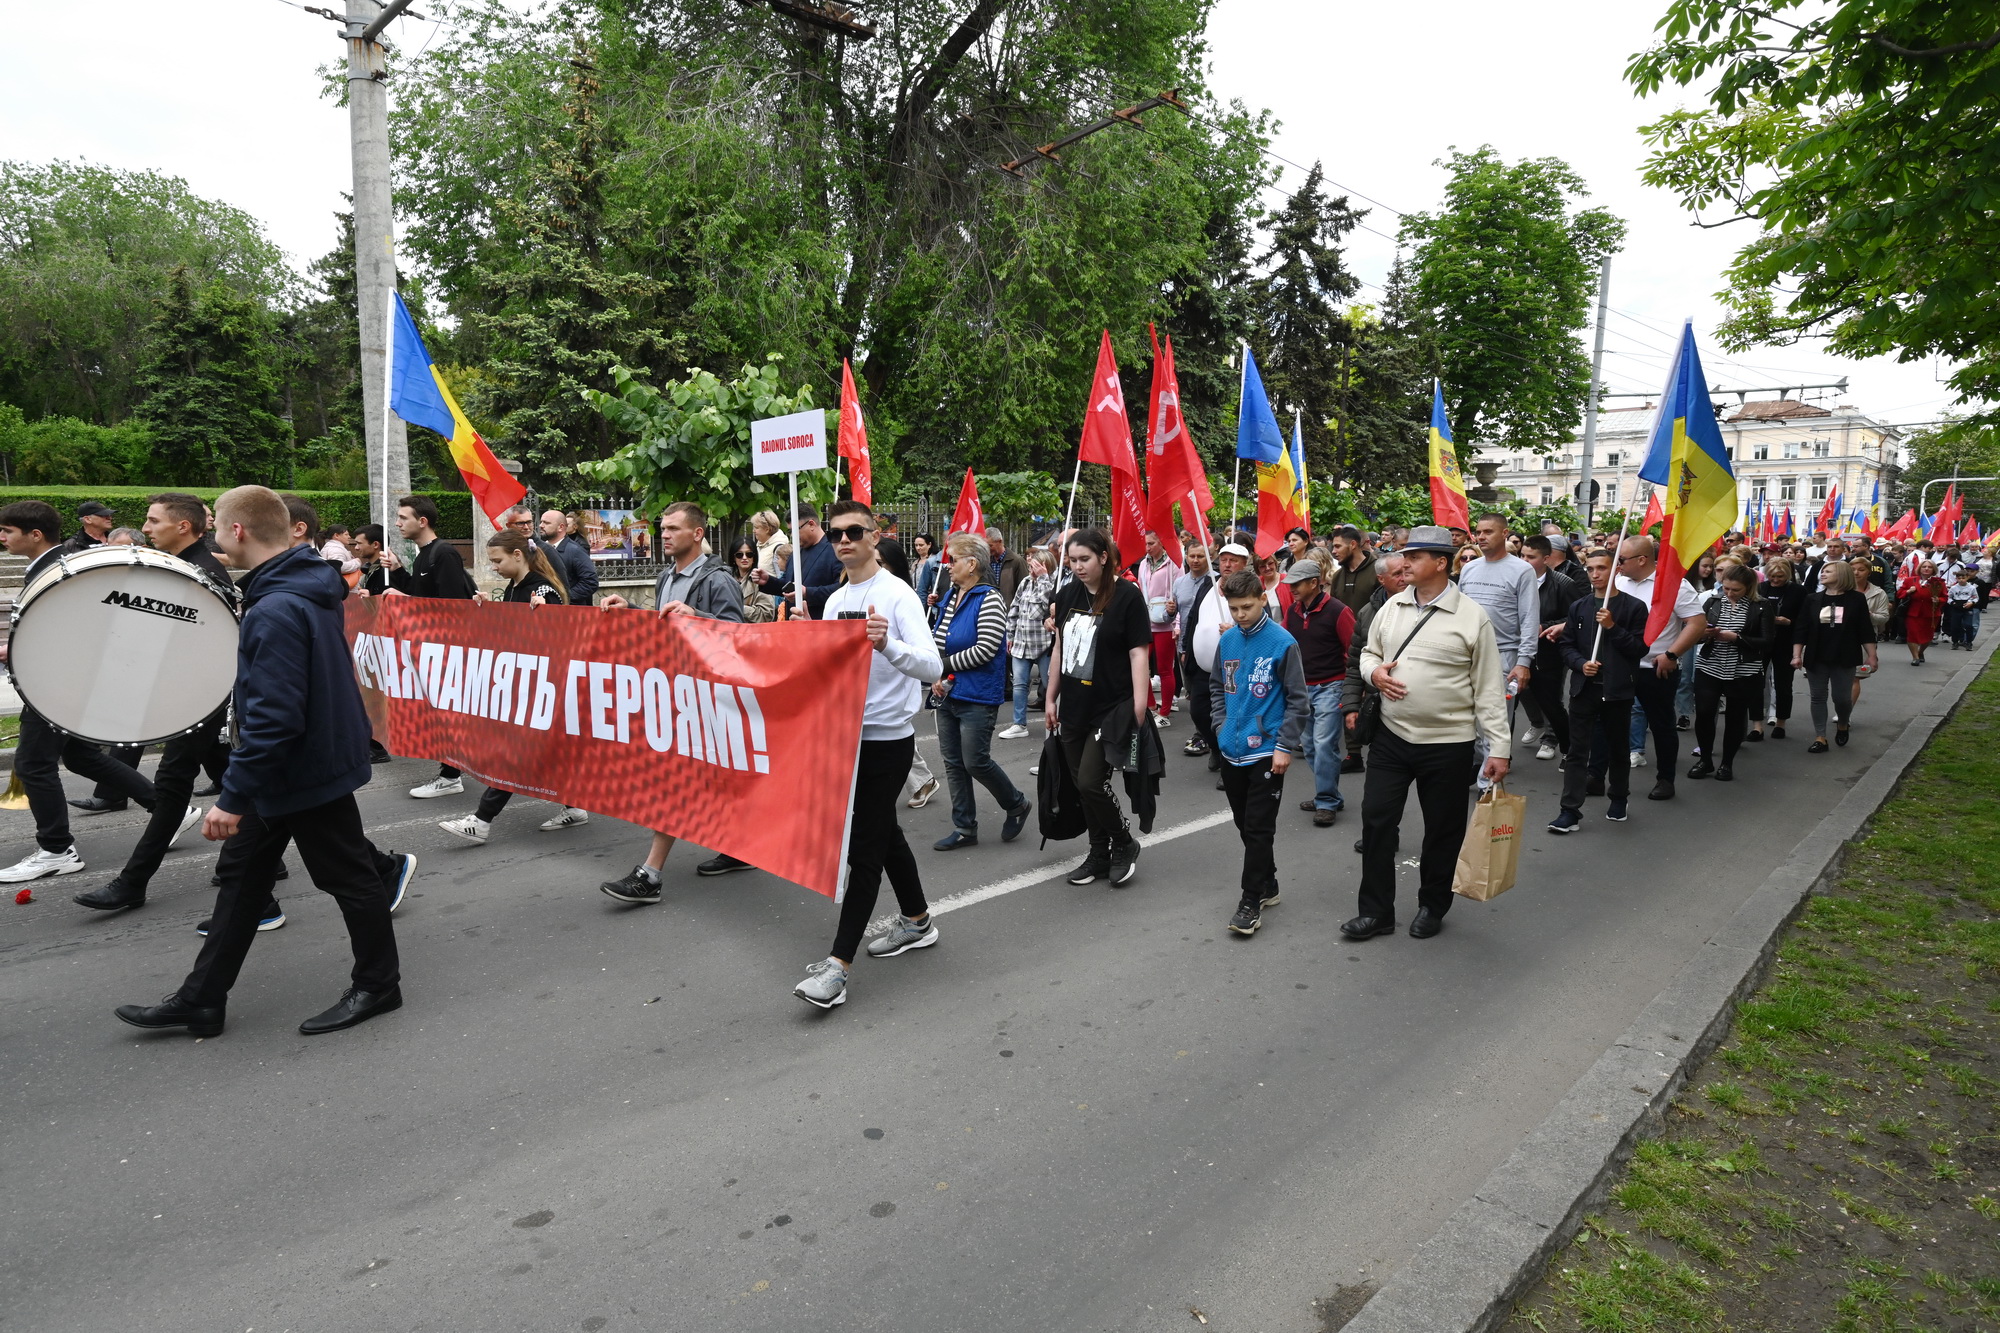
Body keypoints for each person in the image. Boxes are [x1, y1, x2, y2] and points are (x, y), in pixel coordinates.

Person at [114, 485, 404, 1039]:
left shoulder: (276, 605)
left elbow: (275, 718)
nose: (216, 536)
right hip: (297, 767)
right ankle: (201, 1000)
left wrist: (234, 796)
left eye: (217, 526)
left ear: (238, 531)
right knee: (243, 883)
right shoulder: (297, 586)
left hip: (302, 771)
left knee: (350, 880)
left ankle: (378, 985)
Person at [791, 500, 944, 1010]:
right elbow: (831, 670)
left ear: (875, 536)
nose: (844, 540)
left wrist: (889, 647)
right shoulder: (836, 600)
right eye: (836, 533)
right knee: (885, 833)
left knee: (865, 850)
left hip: (888, 740)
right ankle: (918, 921)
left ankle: (837, 968)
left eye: (855, 531)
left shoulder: (898, 595)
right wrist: (806, 639)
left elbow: (931, 665)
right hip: (845, 736)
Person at [69, 495, 238, 911]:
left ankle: (132, 883)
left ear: (183, 526)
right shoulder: (183, 567)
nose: (146, 528)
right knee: (236, 778)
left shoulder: (202, 572)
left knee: (173, 784)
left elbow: (211, 641)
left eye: (153, 520)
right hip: (192, 698)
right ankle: (259, 861)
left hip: (199, 700)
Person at [1348, 525, 1510, 942]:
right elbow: (1369, 653)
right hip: (1391, 737)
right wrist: (1374, 673)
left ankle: (1432, 906)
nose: (1404, 563)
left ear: (1441, 563)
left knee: (1442, 829)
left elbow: (1489, 687)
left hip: (1449, 744)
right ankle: (1376, 912)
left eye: (1415, 556)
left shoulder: (1472, 617)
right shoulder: (1391, 606)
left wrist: (1500, 749)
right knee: (1376, 822)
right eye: (1405, 555)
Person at [0, 502, 167, 884]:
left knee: (33, 765)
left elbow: (89, 628)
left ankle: (57, 849)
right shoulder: (54, 563)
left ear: (35, 534)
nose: (2, 537)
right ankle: (166, 806)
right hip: (62, 679)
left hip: (58, 683)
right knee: (79, 756)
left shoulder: (60, 568)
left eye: (7, 531)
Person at [596, 501, 749, 897]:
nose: (663, 534)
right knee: (712, 778)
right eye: (663, 528)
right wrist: (629, 609)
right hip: (678, 691)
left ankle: (650, 875)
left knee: (676, 781)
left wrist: (695, 615)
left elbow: (738, 636)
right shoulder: (667, 575)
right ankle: (740, 846)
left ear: (697, 534)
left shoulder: (718, 579)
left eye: (673, 529)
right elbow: (664, 624)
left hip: (708, 696)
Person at [436, 532, 591, 846]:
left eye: (497, 560)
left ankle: (481, 820)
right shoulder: (516, 586)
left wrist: (545, 613)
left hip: (544, 688)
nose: (493, 567)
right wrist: (486, 609)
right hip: (529, 686)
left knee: (515, 755)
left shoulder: (541, 589)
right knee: (547, 752)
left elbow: (557, 630)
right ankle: (575, 806)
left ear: (518, 555)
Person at [1048, 528, 1152, 886]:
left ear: (1103, 558)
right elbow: (1060, 650)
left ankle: (1124, 843)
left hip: (1112, 707)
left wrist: (1139, 706)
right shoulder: (1065, 595)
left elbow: (1139, 652)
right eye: (1072, 560)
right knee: (1080, 785)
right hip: (1073, 707)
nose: (1077, 567)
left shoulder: (1126, 596)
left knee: (1092, 782)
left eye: (1084, 559)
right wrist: (1050, 697)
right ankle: (1098, 852)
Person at [1209, 567, 1308, 936]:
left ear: (1263, 598)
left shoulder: (1283, 643)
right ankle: (1268, 882)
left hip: (1267, 751)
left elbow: (1299, 701)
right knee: (1244, 824)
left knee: (1258, 827)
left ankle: (1250, 900)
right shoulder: (1229, 640)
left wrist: (1284, 746)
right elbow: (1218, 686)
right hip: (1231, 749)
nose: (1240, 615)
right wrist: (1220, 726)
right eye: (1234, 609)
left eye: (1247, 607)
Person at [925, 533, 1033, 850]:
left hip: (977, 695)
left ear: (971, 564)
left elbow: (985, 649)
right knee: (953, 764)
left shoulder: (989, 598)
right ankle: (964, 828)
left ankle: (1016, 804)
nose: (947, 566)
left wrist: (941, 666)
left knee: (975, 761)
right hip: (947, 693)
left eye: (953, 559)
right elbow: (938, 638)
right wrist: (934, 664)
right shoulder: (951, 597)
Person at [384, 495, 479, 798]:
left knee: (451, 714)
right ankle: (450, 771)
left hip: (451, 648)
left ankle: (452, 775)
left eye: (403, 518)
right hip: (434, 647)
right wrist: (399, 572)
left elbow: (452, 607)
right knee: (442, 714)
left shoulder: (444, 553)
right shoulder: (424, 554)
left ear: (421, 521)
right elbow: (420, 591)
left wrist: (404, 601)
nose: (397, 523)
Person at [1547, 548, 1648, 833]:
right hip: (1584, 689)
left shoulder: (1634, 607)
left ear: (1615, 569)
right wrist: (1581, 664)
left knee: (1618, 749)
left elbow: (1639, 649)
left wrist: (1612, 626)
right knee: (1577, 752)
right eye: (1590, 569)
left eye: (1601, 568)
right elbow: (1566, 645)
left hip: (1617, 691)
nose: (1595, 574)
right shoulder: (1579, 606)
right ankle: (1569, 811)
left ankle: (1618, 798)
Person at [1613, 535, 1708, 801]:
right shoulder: (1618, 582)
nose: (1617, 565)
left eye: (1621, 560)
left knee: (1662, 724)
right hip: (1620, 665)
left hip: (1656, 668)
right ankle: (1607, 777)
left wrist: (1672, 654)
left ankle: (1666, 779)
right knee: (1613, 722)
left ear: (1641, 559)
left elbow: (1697, 623)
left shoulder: (1674, 584)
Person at [1456, 513, 1537, 777]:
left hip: (1503, 657)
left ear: (1504, 534)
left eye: (1488, 532)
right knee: (1468, 721)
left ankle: (1486, 787)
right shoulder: (1469, 568)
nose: (1481, 537)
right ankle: (1481, 766)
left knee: (1495, 721)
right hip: (1467, 656)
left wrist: (1523, 662)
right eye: (1478, 532)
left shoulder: (1522, 570)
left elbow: (1529, 618)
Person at [1279, 559, 1354, 827]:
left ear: (1314, 583)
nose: (1292, 589)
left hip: (1330, 687)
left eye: (1296, 584)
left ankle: (1326, 801)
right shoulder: (1293, 611)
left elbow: (1354, 650)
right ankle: (1330, 794)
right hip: (1301, 689)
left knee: (1323, 745)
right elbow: (1283, 645)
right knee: (1310, 746)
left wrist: (1353, 692)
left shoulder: (1338, 611)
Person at [1687, 565, 1773, 781]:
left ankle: (1727, 763)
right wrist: (1705, 634)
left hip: (1743, 668)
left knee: (1735, 717)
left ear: (1748, 587)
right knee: (1705, 713)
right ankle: (1705, 759)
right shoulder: (1714, 602)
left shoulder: (1761, 606)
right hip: (1711, 665)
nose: (1729, 593)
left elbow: (1767, 642)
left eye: (1736, 590)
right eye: (1726, 588)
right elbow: (1694, 634)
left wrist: (1737, 638)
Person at [1795, 559, 1879, 752]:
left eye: (1828, 571)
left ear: (1841, 575)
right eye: (1822, 572)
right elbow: (1801, 629)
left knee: (1841, 698)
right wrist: (1796, 655)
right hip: (1816, 655)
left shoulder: (1856, 599)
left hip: (1845, 655)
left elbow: (1865, 630)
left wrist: (1872, 655)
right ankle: (1820, 737)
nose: (1822, 574)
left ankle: (1842, 723)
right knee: (1817, 697)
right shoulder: (1812, 599)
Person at [1341, 551, 1411, 783]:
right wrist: (1351, 707)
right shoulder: (1367, 613)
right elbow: (1354, 663)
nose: (1404, 578)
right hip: (1380, 708)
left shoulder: (1423, 607)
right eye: (1397, 573)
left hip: (1416, 709)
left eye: (1406, 571)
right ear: (1381, 579)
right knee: (1382, 787)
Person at [1188, 542, 1252, 784]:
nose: (1227, 564)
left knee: (1230, 716)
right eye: (1224, 559)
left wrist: (1237, 629)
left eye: (1233, 560)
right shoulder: (1209, 585)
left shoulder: (1250, 590)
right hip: (1203, 669)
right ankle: (1216, 747)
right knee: (1199, 712)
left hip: (1235, 669)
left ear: (1245, 564)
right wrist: (1187, 650)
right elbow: (1194, 619)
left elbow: (1259, 621)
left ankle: (1229, 761)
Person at [1522, 535, 1581, 762]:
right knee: (1509, 701)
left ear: (1546, 559)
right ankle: (1498, 757)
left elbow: (1575, 617)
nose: (1525, 561)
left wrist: (1545, 626)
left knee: (1551, 705)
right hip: (1517, 651)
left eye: (1531, 557)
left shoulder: (1563, 584)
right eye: (1522, 556)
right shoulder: (1516, 580)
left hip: (1547, 654)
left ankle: (1568, 750)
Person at [1000, 548, 1054, 739]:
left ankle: (1054, 722)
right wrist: (1010, 635)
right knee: (1019, 684)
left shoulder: (1052, 583)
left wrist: (1043, 579)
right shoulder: (1025, 582)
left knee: (1050, 685)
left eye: (1035, 564)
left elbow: (1041, 610)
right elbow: (1015, 608)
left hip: (1044, 643)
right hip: (1022, 642)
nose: (1031, 567)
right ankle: (1019, 724)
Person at [1170, 544, 1214, 757]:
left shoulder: (1216, 581)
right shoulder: (1179, 583)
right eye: (1191, 556)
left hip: (1210, 647)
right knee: (1194, 696)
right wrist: (1169, 612)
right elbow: (1170, 616)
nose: (1195, 560)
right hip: (1186, 648)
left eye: (1200, 556)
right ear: (1185, 557)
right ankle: (1204, 732)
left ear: (1208, 557)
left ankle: (1207, 737)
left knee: (1212, 696)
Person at [758, 504, 840, 617]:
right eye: (790, 531)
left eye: (795, 530)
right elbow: (788, 585)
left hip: (819, 625)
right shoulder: (796, 553)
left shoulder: (834, 551)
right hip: (792, 625)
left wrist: (807, 593)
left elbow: (841, 589)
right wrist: (767, 581)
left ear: (811, 524)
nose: (792, 535)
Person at [1756, 556, 1805, 740]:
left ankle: (1781, 722)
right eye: (1772, 576)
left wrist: (1789, 622)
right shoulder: (1761, 588)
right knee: (1757, 682)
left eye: (1780, 577)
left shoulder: (1798, 591)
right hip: (1762, 641)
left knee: (1784, 684)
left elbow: (1803, 619)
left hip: (1786, 641)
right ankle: (1757, 723)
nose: (1776, 580)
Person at [1137, 530, 1182, 724]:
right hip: (1146, 623)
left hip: (1165, 623)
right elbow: (1140, 590)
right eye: (1145, 544)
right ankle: (1150, 706)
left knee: (1164, 669)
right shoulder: (1143, 564)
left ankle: (1164, 713)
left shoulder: (1173, 563)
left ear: (1161, 543)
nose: (1147, 548)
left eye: (1151, 544)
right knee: (1141, 666)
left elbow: (1179, 594)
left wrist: (1177, 622)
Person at [532, 508, 598, 605]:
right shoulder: (538, 548)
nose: (541, 525)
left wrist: (561, 598)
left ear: (560, 527)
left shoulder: (575, 550)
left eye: (546, 523)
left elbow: (590, 582)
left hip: (567, 613)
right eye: (541, 522)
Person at [1898, 559, 1945, 664]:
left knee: (1927, 636)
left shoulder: (1938, 582)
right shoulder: (1910, 580)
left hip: (1931, 614)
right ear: (1920, 568)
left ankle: (1921, 652)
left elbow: (1945, 597)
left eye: (1929, 567)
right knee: (1912, 634)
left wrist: (1938, 600)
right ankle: (1915, 657)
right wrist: (1908, 591)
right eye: (1924, 567)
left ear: (1933, 569)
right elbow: (1900, 593)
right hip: (1913, 613)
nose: (1926, 569)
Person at [727, 537, 778, 623]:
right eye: (739, 555)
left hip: (752, 633)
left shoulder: (760, 580)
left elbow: (766, 615)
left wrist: (737, 607)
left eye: (749, 554)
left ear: (754, 557)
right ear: (734, 558)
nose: (744, 558)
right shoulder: (725, 578)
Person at [983, 526, 1028, 605]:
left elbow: (1024, 590)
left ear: (1000, 542)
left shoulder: (1017, 561)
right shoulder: (986, 562)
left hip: (1009, 612)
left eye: (990, 546)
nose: (987, 549)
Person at [1946, 566, 1980, 648]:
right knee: (1955, 625)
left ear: (1967, 577)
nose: (1961, 580)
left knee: (1968, 625)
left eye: (1963, 578)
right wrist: (1953, 603)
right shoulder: (1953, 588)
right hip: (1956, 607)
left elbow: (1976, 597)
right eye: (1959, 578)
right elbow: (1949, 597)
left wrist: (1971, 603)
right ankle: (1955, 641)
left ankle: (1968, 642)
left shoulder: (1971, 588)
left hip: (1967, 606)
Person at [750, 509, 789, 577]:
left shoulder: (779, 548)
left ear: (767, 529)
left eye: (756, 528)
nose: (753, 531)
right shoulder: (761, 545)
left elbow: (781, 579)